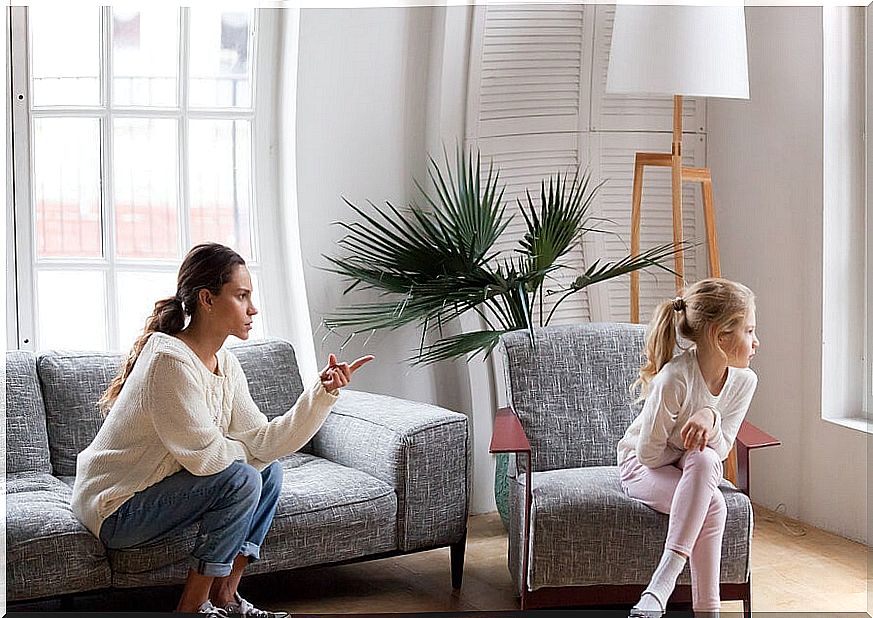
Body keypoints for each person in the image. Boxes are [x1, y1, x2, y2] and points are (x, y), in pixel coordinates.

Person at [71, 243, 373, 617]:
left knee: (270, 470)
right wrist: (254, 458)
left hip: (152, 496)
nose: (253, 308)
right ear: (207, 299)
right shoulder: (170, 362)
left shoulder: (225, 365)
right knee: (245, 478)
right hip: (115, 508)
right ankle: (192, 608)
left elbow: (266, 441)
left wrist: (322, 393)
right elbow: (208, 459)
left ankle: (225, 598)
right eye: (241, 296)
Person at [617, 278, 759, 618]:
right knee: (714, 506)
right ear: (720, 335)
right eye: (749, 331)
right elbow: (649, 455)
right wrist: (689, 438)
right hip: (641, 468)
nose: (757, 342)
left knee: (707, 458)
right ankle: (692, 601)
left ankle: (658, 593)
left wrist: (709, 415)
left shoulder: (745, 381)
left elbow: (721, 449)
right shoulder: (674, 379)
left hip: (691, 467)